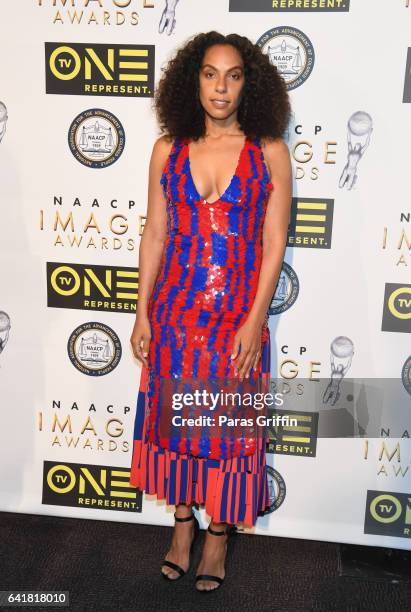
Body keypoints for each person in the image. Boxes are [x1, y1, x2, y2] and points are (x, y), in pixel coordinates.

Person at [129, 31, 292, 592]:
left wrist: (254, 322)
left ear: (249, 84)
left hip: (235, 324)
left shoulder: (268, 149)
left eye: (233, 75)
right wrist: (141, 312)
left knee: (226, 433)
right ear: (192, 80)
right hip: (174, 317)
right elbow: (155, 234)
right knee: (176, 428)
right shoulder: (167, 150)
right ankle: (181, 528)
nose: (220, 86)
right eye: (209, 73)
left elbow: (274, 244)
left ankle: (217, 536)